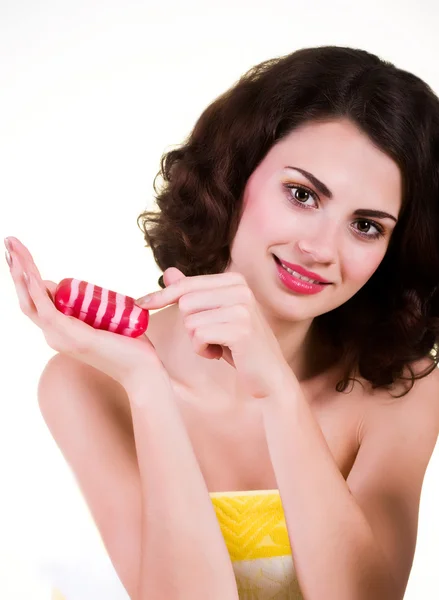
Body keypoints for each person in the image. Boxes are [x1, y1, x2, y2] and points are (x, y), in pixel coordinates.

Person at [6, 45, 439, 600]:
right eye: (302, 194)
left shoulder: (400, 390)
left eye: (366, 226)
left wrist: (277, 392)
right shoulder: (86, 384)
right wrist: (147, 384)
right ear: (237, 177)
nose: (320, 249)